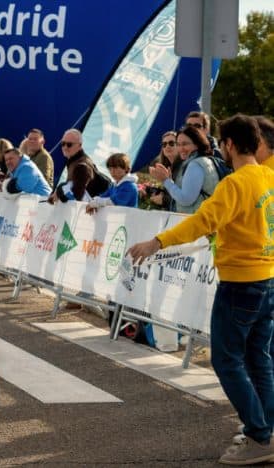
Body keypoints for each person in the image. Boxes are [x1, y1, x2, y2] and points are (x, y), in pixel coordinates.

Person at [128, 114, 274, 466]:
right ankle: (266, 429)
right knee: (259, 358)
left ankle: (259, 435)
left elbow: (201, 221)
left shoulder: (235, 184)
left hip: (240, 283)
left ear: (230, 145)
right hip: (266, 279)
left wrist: (157, 241)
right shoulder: (268, 175)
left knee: (226, 360)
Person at [149, 125, 219, 214]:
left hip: (197, 221)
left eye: (185, 144)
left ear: (197, 144)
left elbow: (185, 199)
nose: (181, 148)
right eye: (178, 144)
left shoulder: (195, 164)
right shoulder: (203, 160)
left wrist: (166, 180)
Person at [48, 129, 110, 204]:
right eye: (63, 143)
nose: (65, 147)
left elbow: (77, 195)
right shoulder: (74, 160)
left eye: (69, 144)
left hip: (93, 211)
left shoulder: (82, 165)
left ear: (80, 145)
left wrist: (60, 190)